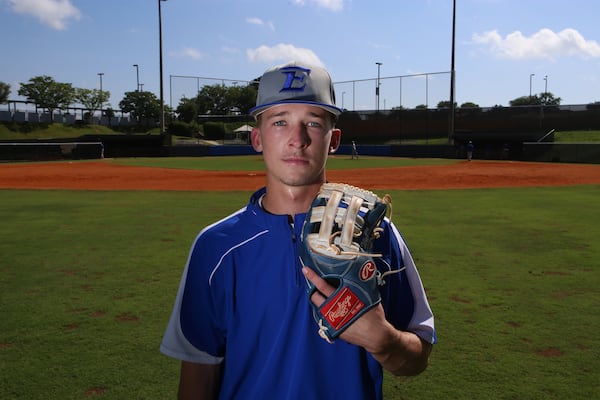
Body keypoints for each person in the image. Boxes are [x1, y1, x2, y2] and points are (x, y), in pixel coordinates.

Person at [160, 61, 436, 400]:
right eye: (280, 122)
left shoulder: (375, 235)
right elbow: (199, 373)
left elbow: (418, 355)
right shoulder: (216, 246)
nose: (297, 139)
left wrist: (384, 342)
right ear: (257, 138)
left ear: (333, 140)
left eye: (313, 123)